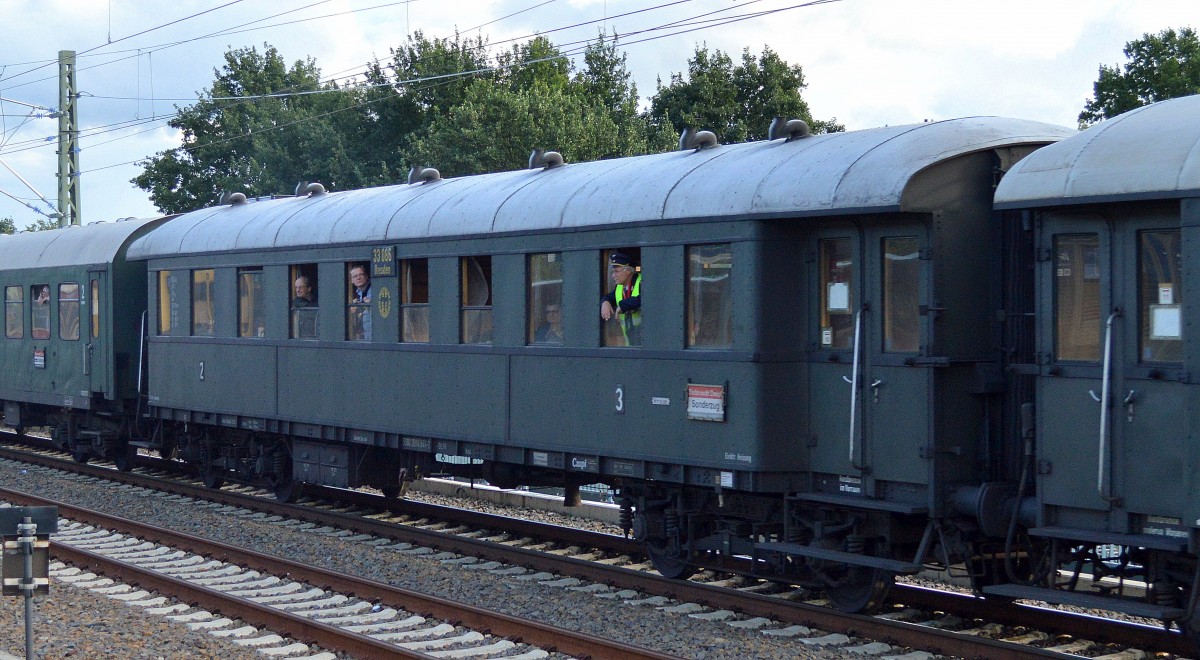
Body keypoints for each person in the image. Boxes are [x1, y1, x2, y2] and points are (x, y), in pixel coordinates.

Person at [600, 252, 641, 346]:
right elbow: (609, 297)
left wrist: (623, 305)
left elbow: (645, 299)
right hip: (630, 345)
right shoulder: (619, 287)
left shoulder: (641, 282)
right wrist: (605, 302)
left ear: (628, 271)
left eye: (616, 271)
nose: (613, 276)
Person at [349, 264, 372, 340]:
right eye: (355, 276)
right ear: (352, 280)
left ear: (366, 277)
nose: (358, 278)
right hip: (364, 336)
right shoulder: (358, 293)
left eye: (361, 275)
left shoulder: (374, 289)